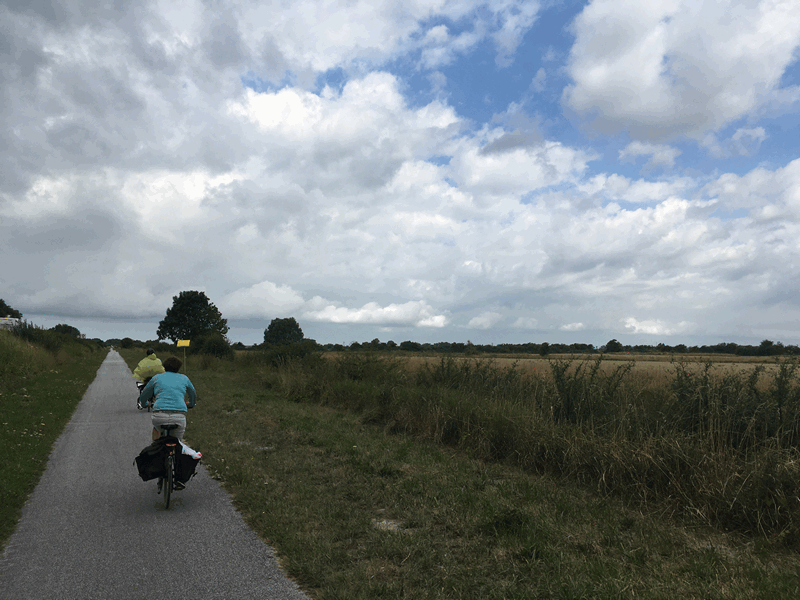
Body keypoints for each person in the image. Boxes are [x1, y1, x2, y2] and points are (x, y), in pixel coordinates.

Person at [138, 356, 197, 443]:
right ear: (178, 367)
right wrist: (191, 404)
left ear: (164, 367)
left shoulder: (156, 378)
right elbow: (193, 395)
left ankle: (156, 446)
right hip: (179, 416)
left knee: (157, 429)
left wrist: (144, 404)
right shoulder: (184, 378)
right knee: (178, 442)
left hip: (159, 416)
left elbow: (144, 395)